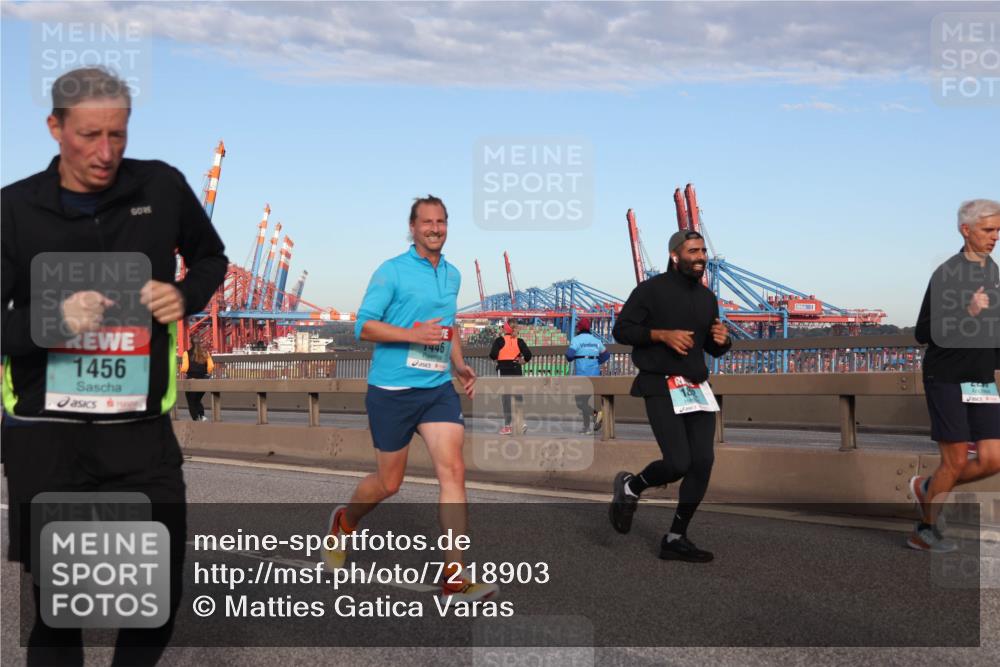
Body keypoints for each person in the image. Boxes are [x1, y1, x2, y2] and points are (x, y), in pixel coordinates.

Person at [1, 67, 228, 664]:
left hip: (139, 436)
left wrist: (185, 295)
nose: (105, 154)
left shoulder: (162, 188)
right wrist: (48, 321)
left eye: (118, 136)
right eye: (90, 136)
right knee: (61, 607)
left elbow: (211, 257)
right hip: (47, 436)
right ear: (55, 127)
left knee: (155, 599)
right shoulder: (14, 210)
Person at [322, 195, 498, 602]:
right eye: (427, 222)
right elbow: (364, 327)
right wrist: (411, 335)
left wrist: (459, 364)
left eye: (441, 222)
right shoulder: (392, 272)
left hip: (436, 388)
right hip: (392, 391)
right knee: (389, 483)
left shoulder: (452, 275)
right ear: (413, 227)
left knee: (453, 471)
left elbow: (447, 326)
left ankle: (455, 575)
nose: (435, 228)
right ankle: (344, 523)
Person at [609, 230, 731, 563]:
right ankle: (632, 487)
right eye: (693, 250)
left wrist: (722, 339)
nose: (701, 256)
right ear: (675, 256)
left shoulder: (707, 299)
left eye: (703, 250)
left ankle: (676, 537)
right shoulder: (650, 291)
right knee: (678, 462)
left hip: (696, 387)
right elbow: (621, 330)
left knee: (702, 462)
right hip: (660, 384)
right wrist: (661, 335)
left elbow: (711, 349)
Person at [909, 199, 1000, 552]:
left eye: (997, 230)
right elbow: (923, 331)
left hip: (980, 378)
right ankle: (924, 530)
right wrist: (968, 309)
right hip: (946, 375)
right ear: (965, 230)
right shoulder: (947, 274)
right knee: (957, 460)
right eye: (988, 230)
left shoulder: (991, 272)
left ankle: (926, 488)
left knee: (993, 459)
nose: (995, 237)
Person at [565, 317, 610, 434]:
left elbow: (569, 356)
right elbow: (606, 355)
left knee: (579, 402)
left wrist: (576, 357)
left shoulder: (576, 340)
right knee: (584, 400)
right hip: (595, 374)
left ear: (579, 328)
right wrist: (595, 362)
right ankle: (586, 427)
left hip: (582, 374)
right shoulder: (596, 340)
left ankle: (596, 414)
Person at [489, 320, 532, 435]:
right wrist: (521, 361)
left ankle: (508, 426)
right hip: (516, 369)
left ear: (505, 329)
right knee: (518, 396)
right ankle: (521, 423)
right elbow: (528, 355)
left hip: (503, 371)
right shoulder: (519, 341)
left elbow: (493, 355)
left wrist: (498, 358)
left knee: (506, 398)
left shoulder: (499, 341)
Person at [180, 338, 214, 421]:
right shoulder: (206, 353)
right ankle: (202, 416)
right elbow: (211, 367)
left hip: (191, 380)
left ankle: (195, 418)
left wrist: (183, 371)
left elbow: (185, 368)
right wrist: (206, 373)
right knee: (197, 399)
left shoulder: (186, 353)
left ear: (191, 343)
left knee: (191, 400)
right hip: (204, 380)